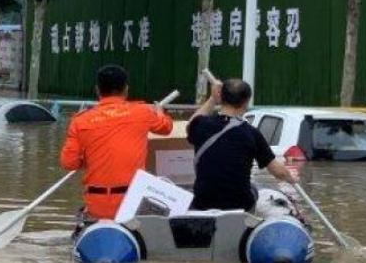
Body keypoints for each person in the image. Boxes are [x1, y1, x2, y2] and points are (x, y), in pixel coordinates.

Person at [60, 65, 173, 220]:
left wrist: (89, 158)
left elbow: (69, 163)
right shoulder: (142, 112)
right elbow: (166, 128)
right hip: (131, 200)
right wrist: (159, 112)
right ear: (126, 89)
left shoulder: (80, 121)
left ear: (97, 90)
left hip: (96, 204)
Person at [187, 78, 298, 212]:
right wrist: (292, 178)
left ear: (221, 97)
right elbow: (278, 172)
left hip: (203, 203)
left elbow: (190, 125)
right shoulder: (252, 134)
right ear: (246, 102)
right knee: (254, 189)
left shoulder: (201, 125)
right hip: (239, 206)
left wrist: (212, 99)